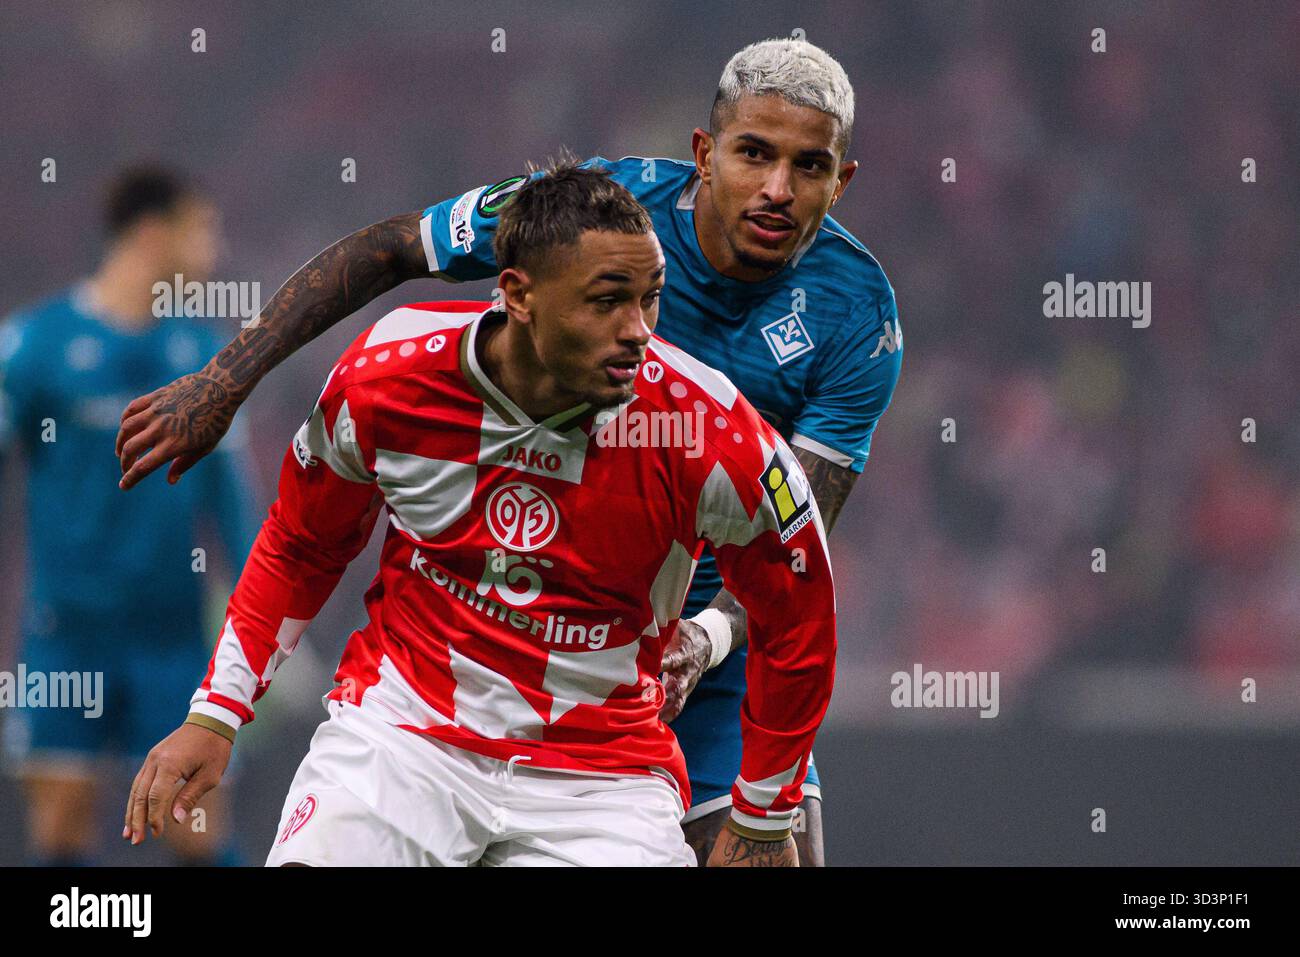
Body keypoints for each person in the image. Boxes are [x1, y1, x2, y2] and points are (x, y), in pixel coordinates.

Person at [114, 38, 902, 864]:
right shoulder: (587, 212)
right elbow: (391, 248)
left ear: (840, 181)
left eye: (809, 168)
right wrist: (224, 380)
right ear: (705, 154)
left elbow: (797, 557)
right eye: (754, 155)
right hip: (475, 664)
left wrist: (707, 643)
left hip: (690, 644)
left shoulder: (853, 323)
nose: (778, 189)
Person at [0, 165, 257, 866]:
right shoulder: (35, 345)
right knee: (58, 830)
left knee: (196, 831)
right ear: (153, 233)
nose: (216, 248)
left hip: (171, 638)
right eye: (203, 229)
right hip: (64, 633)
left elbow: (231, 499)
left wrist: (261, 610)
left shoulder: (203, 355)